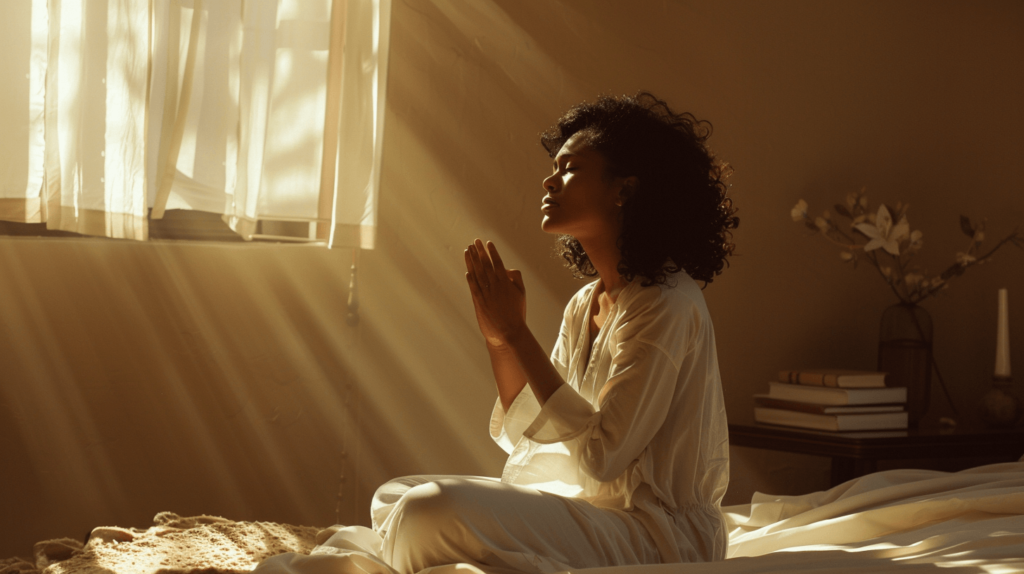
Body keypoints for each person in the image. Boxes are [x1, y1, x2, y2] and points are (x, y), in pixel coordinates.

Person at [256, 92, 737, 574]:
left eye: (570, 168)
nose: (549, 179)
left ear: (624, 190)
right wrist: (502, 341)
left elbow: (601, 456)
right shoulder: (586, 302)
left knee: (427, 510)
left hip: (658, 537)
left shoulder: (666, 303)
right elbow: (537, 437)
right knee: (400, 495)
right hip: (600, 515)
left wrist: (519, 334)